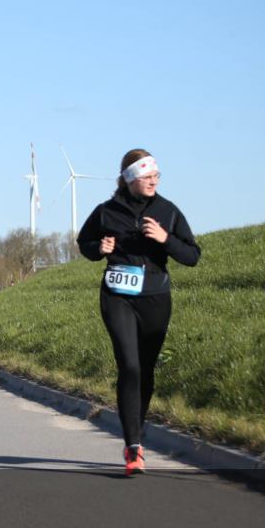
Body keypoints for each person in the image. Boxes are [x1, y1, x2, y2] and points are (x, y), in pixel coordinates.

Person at [77, 149, 200, 476]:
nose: (153, 182)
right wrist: (98, 250)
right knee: (129, 366)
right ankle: (133, 446)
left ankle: (136, 429)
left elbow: (192, 255)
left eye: (156, 177)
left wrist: (165, 239)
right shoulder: (106, 212)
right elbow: (84, 243)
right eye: (147, 177)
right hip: (117, 296)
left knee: (145, 371)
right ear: (131, 179)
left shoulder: (168, 211)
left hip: (155, 298)